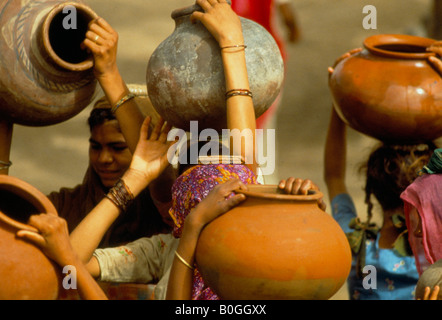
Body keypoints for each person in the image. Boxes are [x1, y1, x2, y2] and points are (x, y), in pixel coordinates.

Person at [324, 106, 436, 300]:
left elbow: (334, 177)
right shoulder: (433, 260)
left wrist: (338, 107)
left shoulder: (357, 247)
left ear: (375, 190)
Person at [47, 87, 173, 249]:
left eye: (118, 147)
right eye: (96, 147)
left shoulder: (168, 212)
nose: (103, 158)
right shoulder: (63, 205)